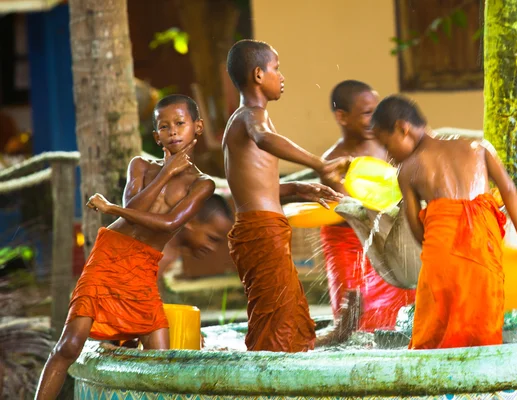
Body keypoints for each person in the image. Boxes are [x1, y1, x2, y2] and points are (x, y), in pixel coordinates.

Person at [35, 94, 215, 399]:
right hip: (110, 255)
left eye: (180, 123)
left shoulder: (202, 183)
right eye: (164, 126)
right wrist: (167, 171)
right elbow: (134, 204)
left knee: (162, 361)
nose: (173, 131)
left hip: (143, 265)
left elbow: (170, 224)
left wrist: (113, 211)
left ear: (197, 127)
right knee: (69, 345)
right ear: (156, 135)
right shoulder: (141, 166)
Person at [371, 94, 517, 349]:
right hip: (482, 251)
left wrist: (441, 247)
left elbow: (415, 227)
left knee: (434, 329)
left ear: (403, 129)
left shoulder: (408, 170)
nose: (387, 156)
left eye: (386, 146)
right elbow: (509, 191)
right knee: (482, 325)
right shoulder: (478, 148)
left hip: (440, 255)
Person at [223, 39, 352, 352]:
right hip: (262, 230)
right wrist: (318, 163)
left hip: (260, 227)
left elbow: (254, 186)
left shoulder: (241, 119)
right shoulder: (253, 116)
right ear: (257, 75)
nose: (281, 77)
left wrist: (298, 188)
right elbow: (265, 139)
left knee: (279, 313)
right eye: (276, 69)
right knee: (278, 322)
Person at [320, 80, 416, 332]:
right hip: (348, 241)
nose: (375, 119)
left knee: (401, 312)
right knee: (352, 315)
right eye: (366, 114)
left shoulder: (386, 147)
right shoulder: (331, 161)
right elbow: (350, 208)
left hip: (384, 238)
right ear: (342, 116)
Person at [159, 194, 234, 278]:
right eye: (211, 238)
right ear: (190, 220)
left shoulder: (171, 252)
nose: (213, 248)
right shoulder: (162, 253)